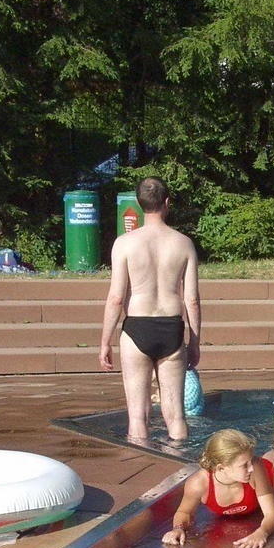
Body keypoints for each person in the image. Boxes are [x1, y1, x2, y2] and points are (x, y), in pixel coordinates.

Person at [99, 177, 201, 440]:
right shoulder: (184, 243)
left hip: (137, 328)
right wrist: (194, 342)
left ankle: (141, 459)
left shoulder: (124, 243)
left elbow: (116, 298)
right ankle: (181, 461)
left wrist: (105, 342)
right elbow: (191, 300)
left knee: (137, 416)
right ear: (167, 203)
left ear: (140, 204)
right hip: (172, 329)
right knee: (176, 415)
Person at [162, 429, 274, 548]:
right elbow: (184, 512)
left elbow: (271, 514)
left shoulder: (256, 468)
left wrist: (262, 532)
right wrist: (177, 529)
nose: (250, 468)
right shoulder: (199, 484)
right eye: (244, 465)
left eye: (250, 461)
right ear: (221, 468)